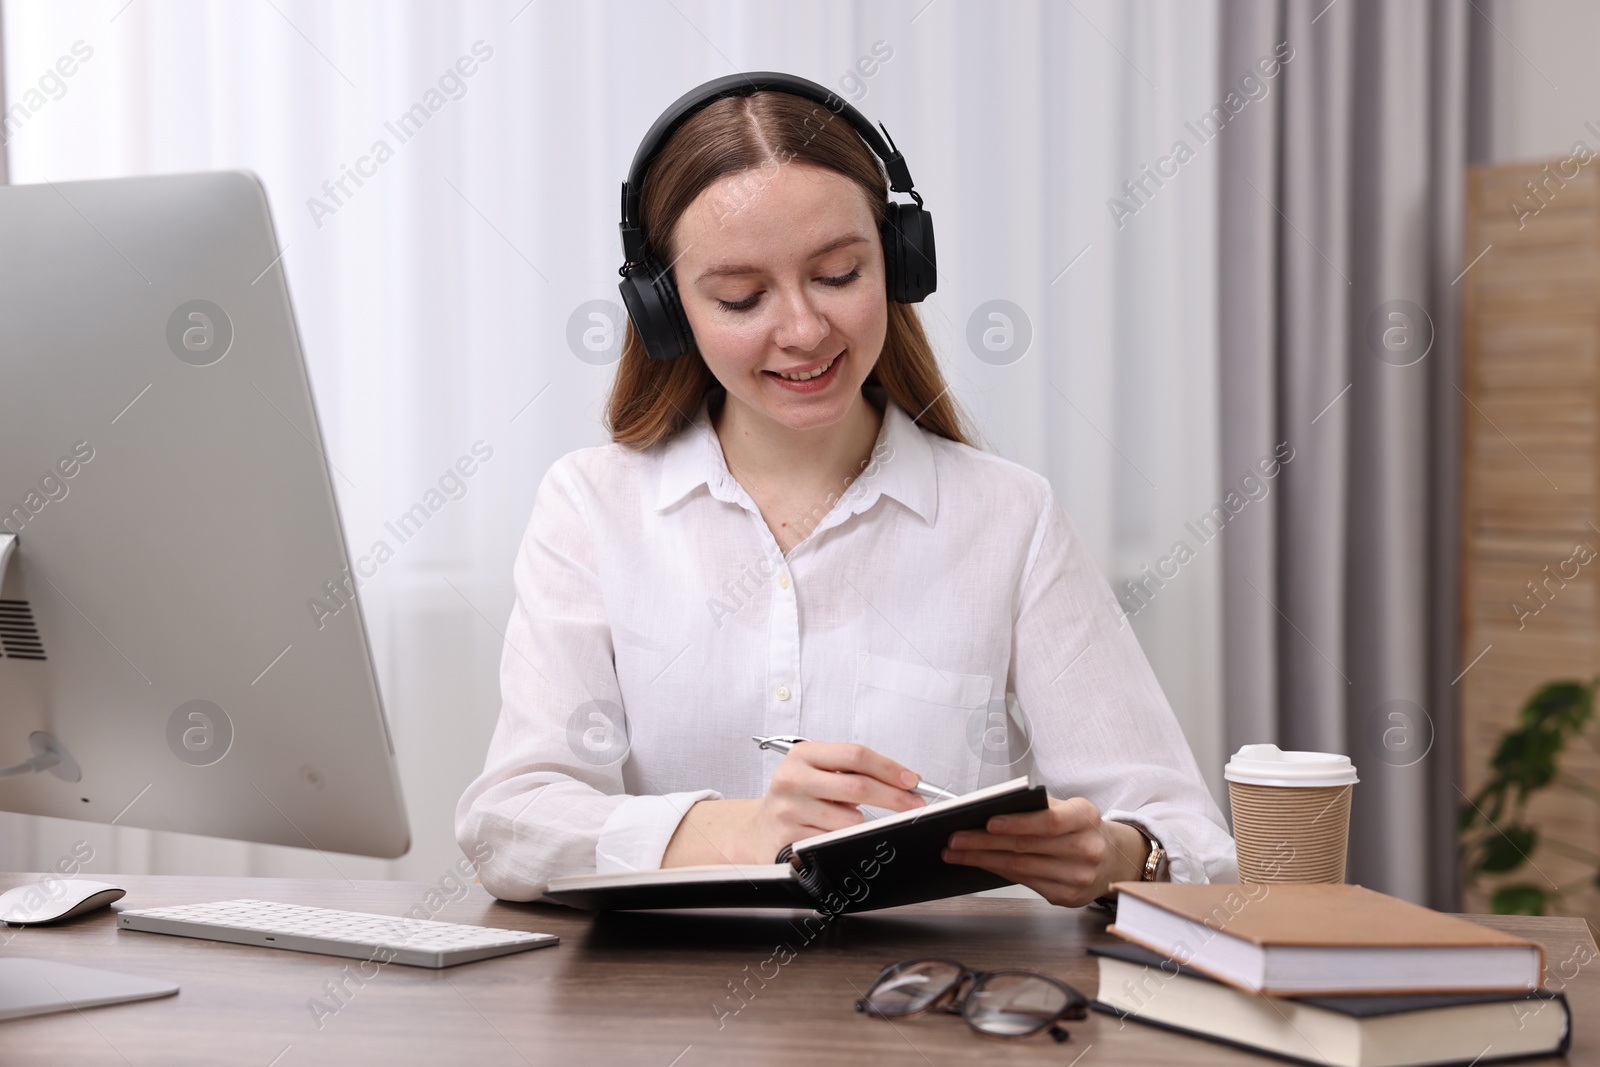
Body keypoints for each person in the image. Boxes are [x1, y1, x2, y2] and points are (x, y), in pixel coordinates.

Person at [456, 76, 1237, 907]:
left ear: (899, 261)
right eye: (740, 296)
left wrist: (1119, 855)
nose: (802, 329)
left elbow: (1191, 840)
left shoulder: (1010, 518)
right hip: (661, 1027)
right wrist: (738, 830)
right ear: (667, 311)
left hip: (926, 1014)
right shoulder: (591, 506)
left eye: (837, 274)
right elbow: (508, 826)